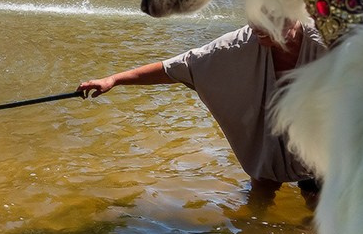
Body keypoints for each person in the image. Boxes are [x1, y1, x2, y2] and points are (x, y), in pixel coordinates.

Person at [77, 21, 327, 195]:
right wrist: (114, 80)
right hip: (271, 130)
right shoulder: (236, 45)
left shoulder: (329, 41)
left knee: (318, 200)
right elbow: (175, 68)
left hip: (324, 134)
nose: (258, 27)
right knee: (262, 187)